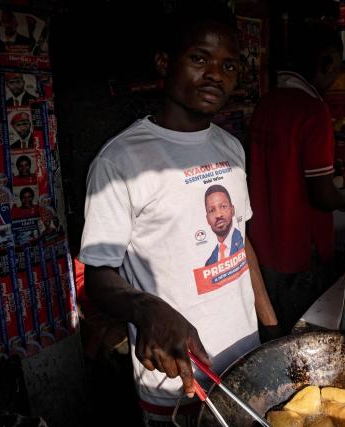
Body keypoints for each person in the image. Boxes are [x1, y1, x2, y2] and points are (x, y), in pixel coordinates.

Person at [78, 3, 279, 425]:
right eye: (199, 59)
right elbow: (98, 275)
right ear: (164, 62)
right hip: (178, 379)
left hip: (246, 363)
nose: (215, 75)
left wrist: (272, 331)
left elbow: (243, 246)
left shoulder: (230, 148)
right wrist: (146, 309)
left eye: (229, 65)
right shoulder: (120, 162)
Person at [248, 23, 345, 335]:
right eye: (337, 67)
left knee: (270, 330)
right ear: (327, 61)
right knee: (300, 337)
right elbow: (321, 195)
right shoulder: (313, 111)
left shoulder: (267, 102)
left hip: (261, 245)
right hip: (299, 251)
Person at [204, 185, 244, 266]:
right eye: (211, 210)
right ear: (207, 219)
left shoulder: (243, 242)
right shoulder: (209, 263)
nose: (218, 215)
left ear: (232, 210)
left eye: (223, 206)